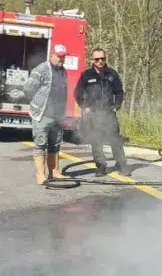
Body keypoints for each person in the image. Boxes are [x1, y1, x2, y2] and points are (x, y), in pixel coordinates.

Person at [73, 47, 131, 176]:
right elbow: (77, 93)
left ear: (105, 59)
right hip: (93, 115)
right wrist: (84, 107)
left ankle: (121, 165)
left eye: (102, 58)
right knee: (96, 141)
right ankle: (100, 166)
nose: (100, 61)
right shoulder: (86, 75)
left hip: (109, 114)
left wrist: (116, 105)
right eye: (97, 59)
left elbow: (119, 92)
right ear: (92, 60)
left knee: (115, 140)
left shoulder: (112, 74)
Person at [23, 43, 72, 185]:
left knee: (55, 144)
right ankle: (41, 175)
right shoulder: (41, 69)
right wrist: (36, 101)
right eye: (59, 56)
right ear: (52, 55)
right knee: (41, 144)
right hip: (43, 114)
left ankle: (54, 171)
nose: (61, 59)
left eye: (63, 57)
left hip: (58, 115)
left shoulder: (63, 71)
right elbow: (28, 88)